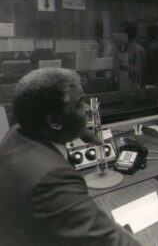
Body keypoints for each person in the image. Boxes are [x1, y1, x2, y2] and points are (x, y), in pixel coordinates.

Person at [0, 68, 141, 246]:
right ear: (54, 121)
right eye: (81, 103)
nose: (88, 109)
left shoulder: (18, 133)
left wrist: (78, 128)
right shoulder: (51, 179)